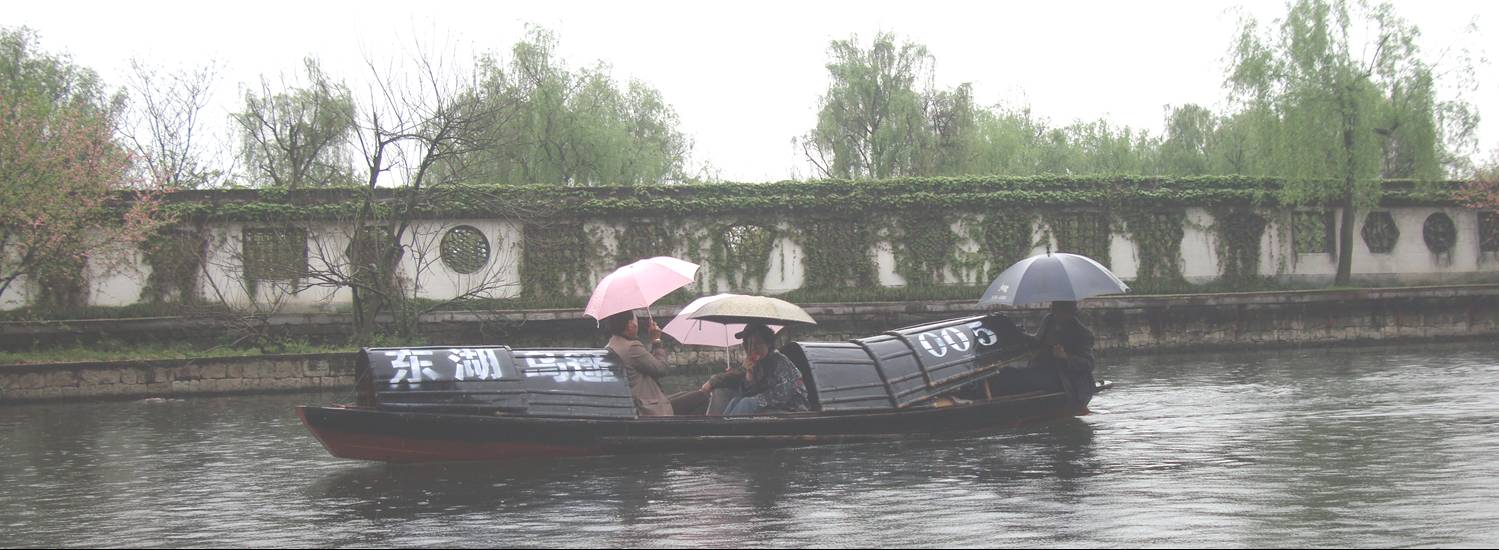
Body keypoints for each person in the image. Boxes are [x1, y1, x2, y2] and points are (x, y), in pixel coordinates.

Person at [996, 300, 1097, 407]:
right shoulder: (1049, 320)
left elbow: (1089, 364)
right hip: (1041, 369)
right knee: (1006, 372)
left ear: (1069, 312)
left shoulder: (1082, 333)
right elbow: (1037, 342)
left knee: (1019, 379)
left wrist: (1065, 356)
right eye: (1053, 309)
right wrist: (1020, 334)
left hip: (1063, 378)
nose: (1053, 312)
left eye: (1057, 310)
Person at [700, 323, 810, 415]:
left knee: (746, 403)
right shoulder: (757, 362)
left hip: (792, 408)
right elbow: (749, 391)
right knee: (736, 400)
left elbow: (785, 392)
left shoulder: (780, 361)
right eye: (749, 344)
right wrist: (749, 374)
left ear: (768, 343)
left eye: (758, 343)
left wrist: (757, 400)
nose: (753, 348)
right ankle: (720, 428)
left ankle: (726, 431)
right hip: (769, 404)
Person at [603, 311, 674, 416]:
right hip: (649, 410)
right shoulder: (632, 347)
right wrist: (657, 340)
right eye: (635, 321)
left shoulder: (611, 345)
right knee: (698, 396)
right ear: (630, 324)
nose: (637, 325)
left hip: (635, 404)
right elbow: (661, 369)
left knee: (688, 395)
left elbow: (647, 366)